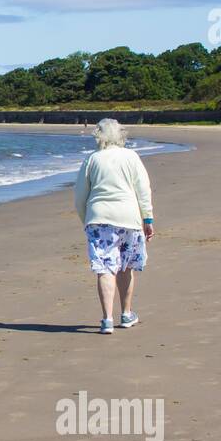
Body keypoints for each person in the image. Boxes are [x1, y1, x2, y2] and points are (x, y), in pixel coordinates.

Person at [73, 118, 154, 334]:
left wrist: (87, 221)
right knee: (126, 266)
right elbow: (143, 190)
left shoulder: (92, 159)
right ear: (120, 135)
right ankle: (126, 314)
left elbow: (80, 196)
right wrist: (148, 218)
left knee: (105, 268)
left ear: (98, 136)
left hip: (99, 219)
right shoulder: (131, 157)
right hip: (129, 217)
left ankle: (107, 319)